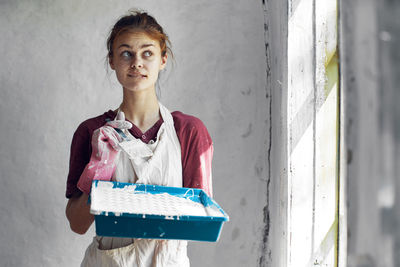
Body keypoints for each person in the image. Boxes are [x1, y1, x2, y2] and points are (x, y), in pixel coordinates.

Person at [65, 10, 213, 267]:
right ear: (112, 60)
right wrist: (97, 173)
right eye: (125, 53)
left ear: (163, 59)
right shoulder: (92, 132)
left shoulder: (188, 131)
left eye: (147, 53)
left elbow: (199, 221)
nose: (136, 62)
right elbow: (78, 225)